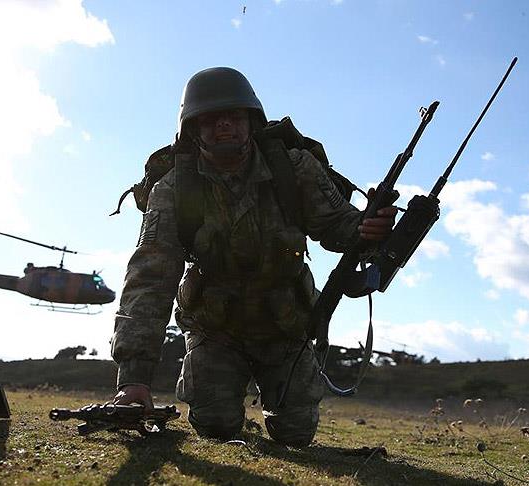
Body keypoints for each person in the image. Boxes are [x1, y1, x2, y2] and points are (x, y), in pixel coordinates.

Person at [109, 67, 397, 446]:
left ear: (252, 120)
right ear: (192, 129)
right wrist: (134, 380)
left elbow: (339, 228)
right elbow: (149, 279)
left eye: (234, 115)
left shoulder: (293, 168)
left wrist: (368, 227)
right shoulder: (174, 189)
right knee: (214, 427)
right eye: (210, 118)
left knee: (295, 435)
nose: (224, 124)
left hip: (286, 326)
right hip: (215, 330)